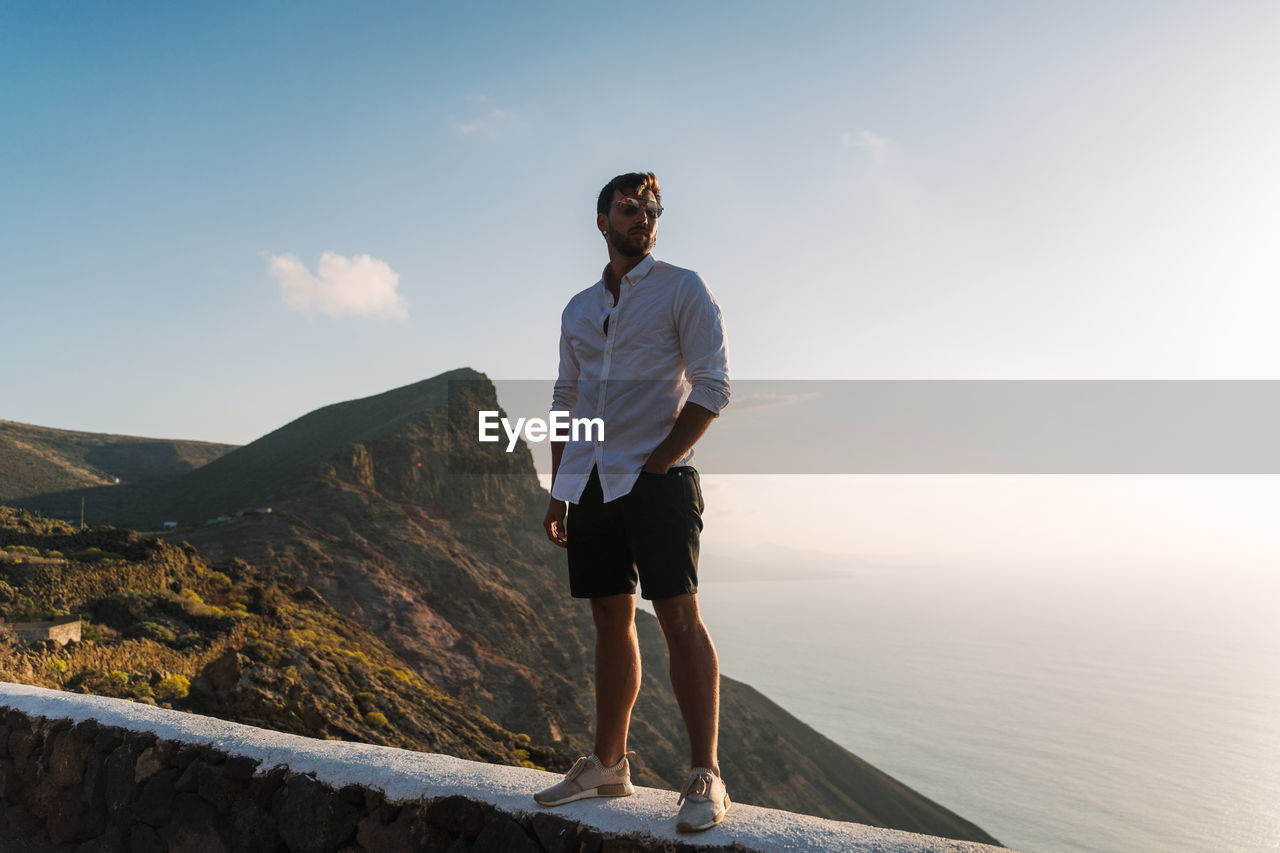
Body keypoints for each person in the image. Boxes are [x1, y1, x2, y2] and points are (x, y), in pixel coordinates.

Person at [534, 172, 732, 833]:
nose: (643, 218)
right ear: (602, 221)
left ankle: (706, 773)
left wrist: (658, 461)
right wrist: (561, 491)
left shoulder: (683, 288)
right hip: (589, 484)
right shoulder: (577, 310)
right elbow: (566, 401)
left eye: (651, 210)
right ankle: (609, 764)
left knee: (679, 620)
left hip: (658, 482)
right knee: (609, 625)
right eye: (629, 209)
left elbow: (712, 386)